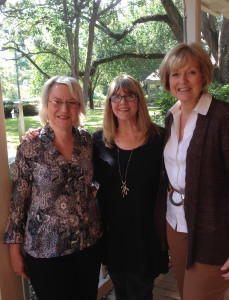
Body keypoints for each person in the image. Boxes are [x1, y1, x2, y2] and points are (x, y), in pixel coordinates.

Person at [4, 76, 102, 300]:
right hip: (46, 251)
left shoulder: (86, 142)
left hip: (87, 244)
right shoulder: (30, 147)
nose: (64, 108)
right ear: (46, 104)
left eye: (72, 102)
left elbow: (97, 177)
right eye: (57, 101)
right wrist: (13, 248)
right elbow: (18, 201)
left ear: (79, 106)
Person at [155, 43, 229, 300]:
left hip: (212, 229)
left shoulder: (222, 116)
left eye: (191, 72)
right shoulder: (171, 116)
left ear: (204, 76)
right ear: (168, 79)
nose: (182, 80)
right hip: (174, 224)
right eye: (175, 74)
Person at [92, 75, 168, 300]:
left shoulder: (159, 137)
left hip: (146, 235)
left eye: (129, 96)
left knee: (142, 293)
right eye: (116, 97)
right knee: (122, 292)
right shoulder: (98, 141)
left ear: (139, 100)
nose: (122, 102)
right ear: (109, 102)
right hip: (114, 235)